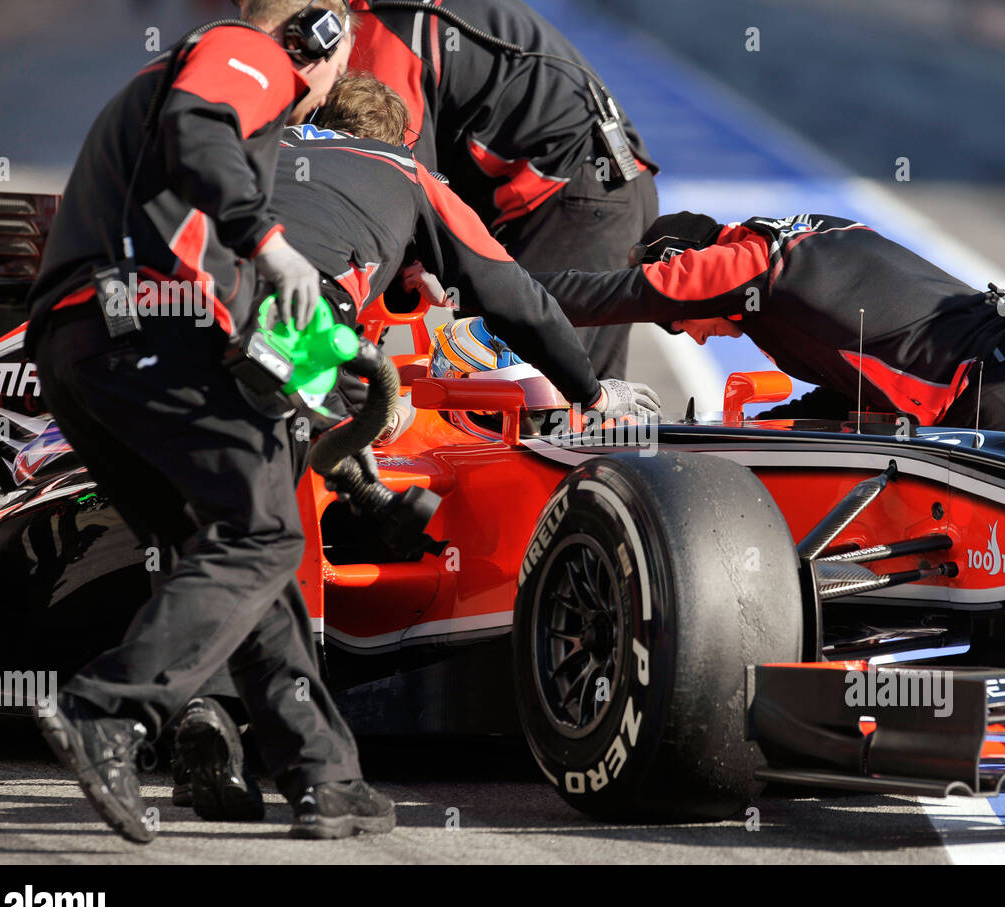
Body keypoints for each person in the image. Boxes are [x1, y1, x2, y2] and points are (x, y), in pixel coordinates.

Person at [165, 71, 661, 819]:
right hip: (285, 337)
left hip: (160, 329)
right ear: (397, 141)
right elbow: (513, 293)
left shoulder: (250, 148)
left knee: (233, 507)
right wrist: (592, 392)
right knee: (273, 515)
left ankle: (204, 701)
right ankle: (264, 732)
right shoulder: (407, 173)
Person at [25, 0, 395, 843]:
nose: (333, 88)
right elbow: (200, 128)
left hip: (87, 348)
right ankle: (105, 711)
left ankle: (323, 776)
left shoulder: (181, 72)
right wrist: (269, 240)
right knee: (264, 536)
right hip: (141, 335)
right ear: (321, 33)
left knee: (239, 545)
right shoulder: (248, 53)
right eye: (342, 61)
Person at [535, 211, 1005, 456]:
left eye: (679, 323)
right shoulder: (816, 236)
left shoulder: (746, 263)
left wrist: (482, 281)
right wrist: (765, 426)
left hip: (996, 402)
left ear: (684, 263)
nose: (691, 337)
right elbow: (862, 380)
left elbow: (608, 295)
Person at [346, 0, 659, 381]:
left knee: (516, 399)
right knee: (583, 423)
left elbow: (394, 173)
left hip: (574, 198)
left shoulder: (384, 26)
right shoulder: (404, 11)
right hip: (605, 188)